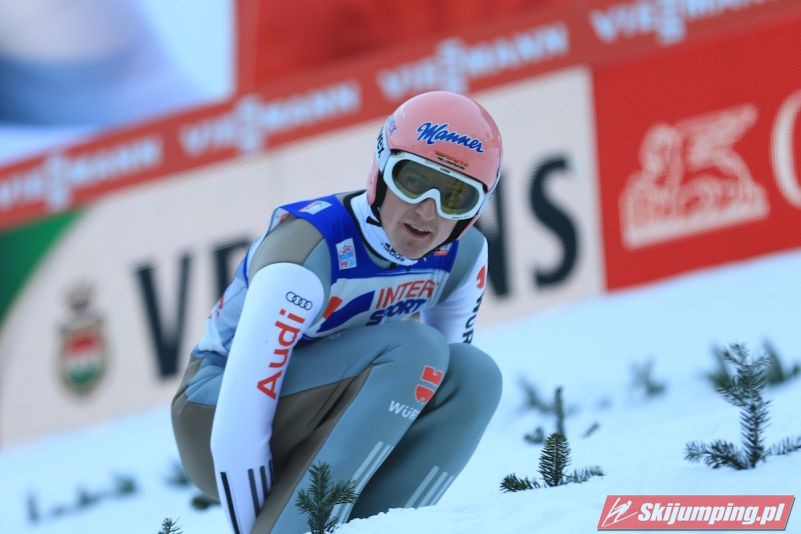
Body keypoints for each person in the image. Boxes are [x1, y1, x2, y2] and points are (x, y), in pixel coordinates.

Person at [171, 90, 504, 534]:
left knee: (475, 376)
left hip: (333, 409)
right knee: (414, 350)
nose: (428, 211)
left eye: (455, 197)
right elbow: (239, 422)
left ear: (474, 211)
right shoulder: (309, 250)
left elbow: (442, 394)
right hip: (215, 415)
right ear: (380, 172)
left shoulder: (464, 255)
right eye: (413, 181)